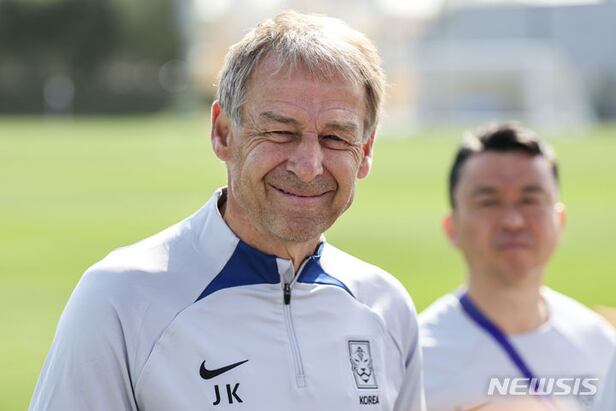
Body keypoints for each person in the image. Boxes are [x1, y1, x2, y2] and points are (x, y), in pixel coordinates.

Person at [29, 10, 425, 411]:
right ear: (222, 133)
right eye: (280, 132)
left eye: (335, 137)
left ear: (366, 151)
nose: (308, 166)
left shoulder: (387, 308)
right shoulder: (120, 299)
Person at [418, 123, 616, 411]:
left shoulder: (600, 343)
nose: (513, 221)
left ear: (560, 221)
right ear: (452, 228)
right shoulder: (420, 357)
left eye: (530, 200)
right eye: (489, 202)